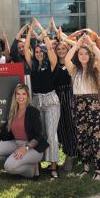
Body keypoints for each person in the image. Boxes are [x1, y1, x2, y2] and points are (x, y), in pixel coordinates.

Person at [0, 84, 48, 179]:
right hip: (15, 144)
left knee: (8, 167)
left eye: (24, 94)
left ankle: (33, 170)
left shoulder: (33, 111)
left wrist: (25, 148)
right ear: (15, 96)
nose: (21, 97)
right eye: (18, 94)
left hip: (32, 147)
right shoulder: (13, 112)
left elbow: (39, 136)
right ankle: (18, 163)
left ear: (27, 96)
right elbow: (3, 134)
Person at [65, 34, 100, 180]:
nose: (83, 56)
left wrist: (91, 44)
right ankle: (86, 166)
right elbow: (66, 59)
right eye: (80, 54)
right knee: (82, 137)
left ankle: (99, 168)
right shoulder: (74, 70)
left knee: (95, 136)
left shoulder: (96, 69)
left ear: (90, 55)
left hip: (93, 104)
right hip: (78, 104)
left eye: (86, 53)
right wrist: (76, 45)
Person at [24, 20, 60, 177]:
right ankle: (39, 162)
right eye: (36, 51)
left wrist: (41, 29)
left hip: (51, 101)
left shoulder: (51, 64)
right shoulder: (33, 65)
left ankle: (53, 167)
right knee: (41, 133)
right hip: (37, 101)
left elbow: (51, 48)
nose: (38, 54)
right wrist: (30, 31)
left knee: (52, 134)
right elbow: (25, 48)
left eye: (41, 51)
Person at [53, 40, 78, 172]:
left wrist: (62, 36)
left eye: (63, 49)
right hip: (57, 96)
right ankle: (68, 151)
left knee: (71, 125)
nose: (61, 51)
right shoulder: (53, 64)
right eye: (59, 49)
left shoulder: (72, 63)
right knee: (60, 126)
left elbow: (76, 45)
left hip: (69, 95)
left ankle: (71, 155)